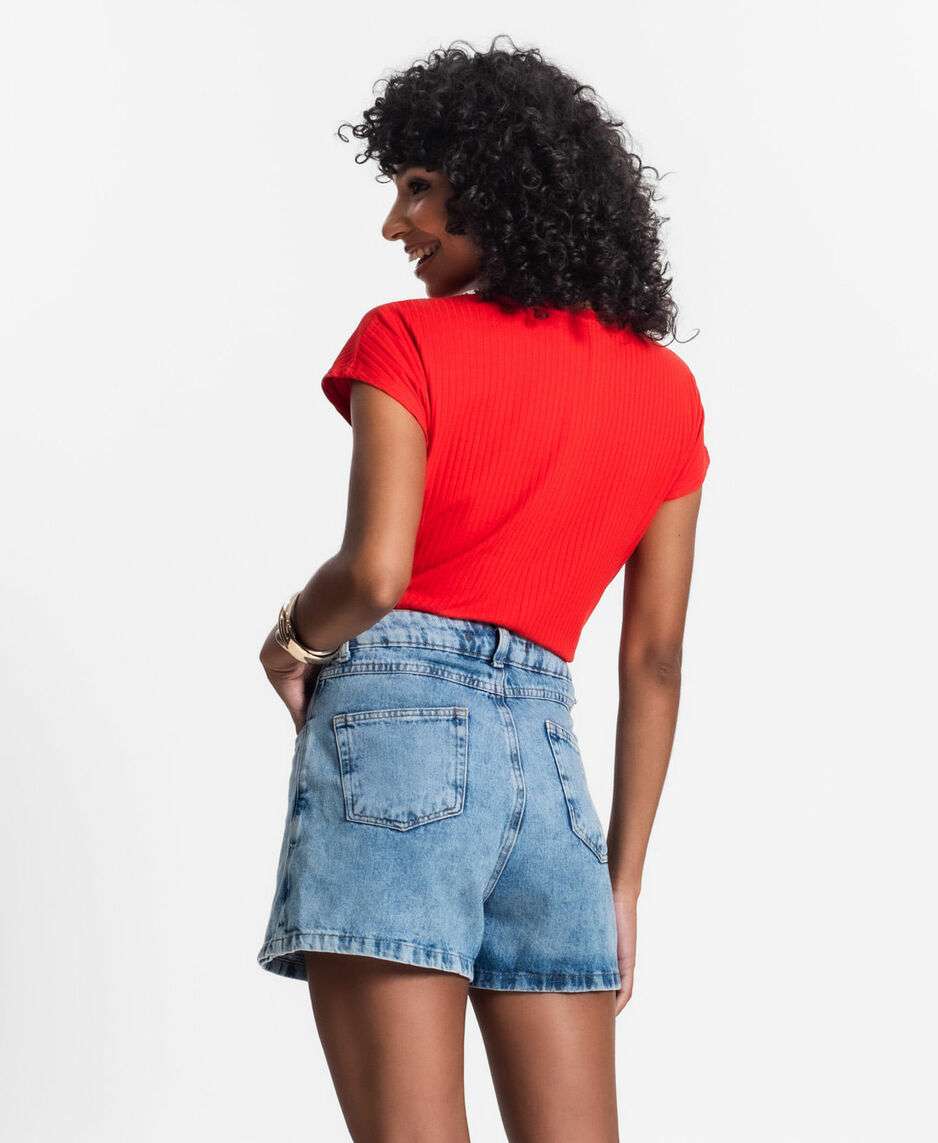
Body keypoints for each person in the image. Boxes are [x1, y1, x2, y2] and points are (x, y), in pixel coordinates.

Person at [257, 36, 710, 1143]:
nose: (396, 223)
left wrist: (292, 639)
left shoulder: (405, 339)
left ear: (497, 183)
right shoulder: (666, 387)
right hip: (552, 773)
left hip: (398, 736)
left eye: (418, 187)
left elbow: (376, 573)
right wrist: (621, 883)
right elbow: (652, 660)